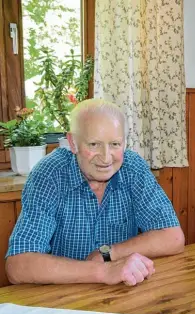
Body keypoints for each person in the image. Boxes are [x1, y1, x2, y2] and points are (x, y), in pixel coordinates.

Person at [5, 99, 185, 287]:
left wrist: (108, 253)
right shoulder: (50, 174)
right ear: (72, 143)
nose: (106, 158)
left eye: (115, 144)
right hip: (64, 299)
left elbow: (173, 237)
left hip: (122, 293)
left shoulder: (133, 168)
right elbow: (17, 265)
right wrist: (104, 271)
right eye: (93, 144)